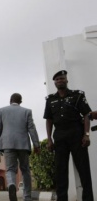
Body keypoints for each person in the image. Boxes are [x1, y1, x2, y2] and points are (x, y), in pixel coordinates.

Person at [44, 70, 94, 201]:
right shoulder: (50, 100)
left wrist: (86, 134)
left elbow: (87, 115)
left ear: (66, 80)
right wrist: (49, 139)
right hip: (59, 137)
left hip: (77, 135)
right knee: (60, 172)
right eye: (57, 80)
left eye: (62, 78)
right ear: (54, 83)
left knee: (83, 170)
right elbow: (49, 120)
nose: (60, 81)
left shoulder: (77, 96)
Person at [0, 93, 40, 201]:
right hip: (23, 145)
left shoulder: (2, 110)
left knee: (10, 169)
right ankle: (27, 197)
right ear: (21, 101)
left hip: (8, 144)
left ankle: (11, 184)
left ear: (10, 100)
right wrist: (36, 145)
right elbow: (31, 129)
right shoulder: (27, 111)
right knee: (25, 170)